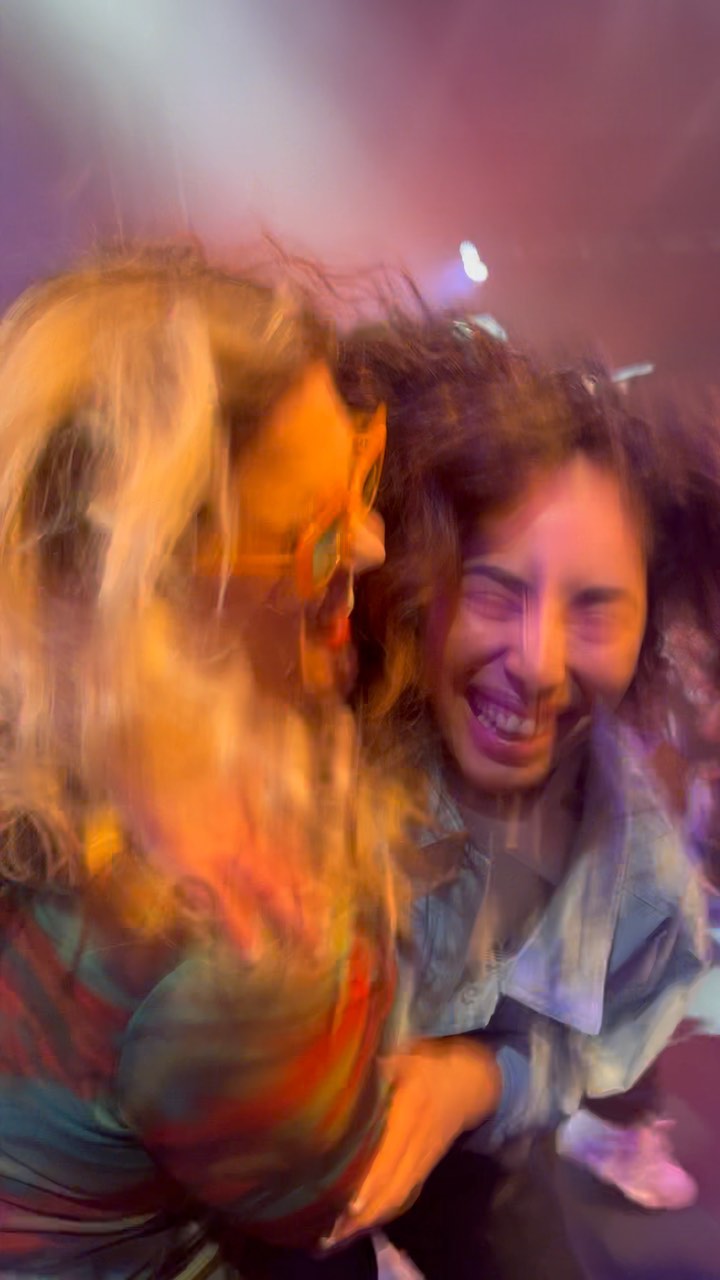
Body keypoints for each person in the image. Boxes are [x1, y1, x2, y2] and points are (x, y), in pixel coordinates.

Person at [0, 247, 413, 1279]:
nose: (372, 545)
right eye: (316, 537)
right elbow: (328, 1188)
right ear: (154, 604)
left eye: (365, 477)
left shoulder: (44, 739)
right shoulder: (227, 927)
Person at [328, 320, 709, 1278]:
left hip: (482, 1151)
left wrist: (474, 1079)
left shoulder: (639, 874)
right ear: (418, 580)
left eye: (595, 608)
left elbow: (589, 1049)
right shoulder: (321, 742)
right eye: (494, 591)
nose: (538, 664)